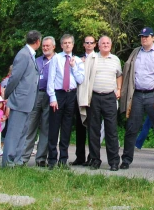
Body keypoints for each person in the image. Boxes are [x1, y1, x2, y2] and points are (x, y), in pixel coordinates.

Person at [119, 26, 154, 171]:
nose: (144, 39)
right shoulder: (136, 53)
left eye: (146, 36)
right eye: (142, 36)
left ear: (153, 38)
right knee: (131, 128)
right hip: (136, 94)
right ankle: (126, 160)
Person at [79, 35, 122, 171]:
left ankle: (114, 162)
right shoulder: (92, 58)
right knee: (93, 130)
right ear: (98, 45)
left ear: (111, 45)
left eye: (108, 43)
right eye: (103, 43)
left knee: (111, 131)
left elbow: (119, 75)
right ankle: (95, 159)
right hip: (94, 97)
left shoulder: (115, 59)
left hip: (110, 97)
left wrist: (119, 89)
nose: (105, 45)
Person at [2, 30, 42, 167]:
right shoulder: (23, 54)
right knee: (14, 132)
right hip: (19, 100)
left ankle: (17, 160)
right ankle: (8, 162)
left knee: (23, 132)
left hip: (27, 101)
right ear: (38, 41)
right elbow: (14, 78)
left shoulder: (30, 54)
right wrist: (7, 95)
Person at [47, 33, 85, 169]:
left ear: (73, 45)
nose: (67, 45)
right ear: (61, 45)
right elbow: (50, 79)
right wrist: (52, 98)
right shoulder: (56, 58)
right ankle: (52, 159)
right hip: (58, 94)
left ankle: (63, 159)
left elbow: (81, 79)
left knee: (67, 127)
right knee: (54, 127)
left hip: (71, 95)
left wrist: (73, 66)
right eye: (65, 43)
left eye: (69, 43)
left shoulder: (78, 60)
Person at [21, 35, 56, 166]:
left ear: (53, 46)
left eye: (48, 46)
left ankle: (41, 159)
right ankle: (24, 157)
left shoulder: (57, 59)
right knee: (30, 126)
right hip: (36, 94)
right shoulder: (36, 60)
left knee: (46, 128)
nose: (45, 48)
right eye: (44, 46)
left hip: (50, 95)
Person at [72, 35, 97, 166]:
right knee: (80, 128)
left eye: (91, 43)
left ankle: (92, 156)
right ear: (83, 44)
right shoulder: (77, 59)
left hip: (93, 97)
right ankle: (79, 156)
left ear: (95, 44)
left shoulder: (98, 58)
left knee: (92, 128)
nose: (88, 45)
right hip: (79, 95)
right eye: (86, 42)